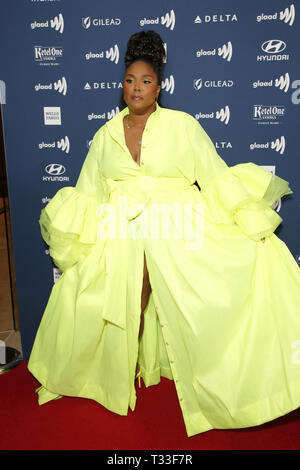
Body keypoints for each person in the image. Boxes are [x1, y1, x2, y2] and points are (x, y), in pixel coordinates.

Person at [28, 30, 300, 437]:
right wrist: (81, 236)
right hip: (122, 230)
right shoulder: (105, 135)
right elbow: (88, 190)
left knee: (204, 298)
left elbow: (213, 176)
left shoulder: (183, 126)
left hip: (177, 228)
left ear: (160, 86)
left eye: (146, 81)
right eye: (130, 80)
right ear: (122, 85)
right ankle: (110, 373)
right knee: (106, 293)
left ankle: (223, 380)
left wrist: (246, 218)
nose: (136, 88)